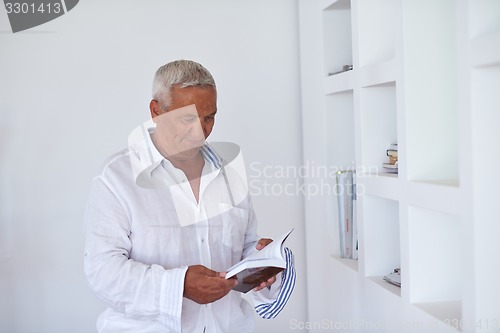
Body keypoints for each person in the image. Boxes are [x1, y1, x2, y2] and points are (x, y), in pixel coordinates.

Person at [84, 60, 295, 333]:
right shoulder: (117, 178)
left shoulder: (230, 176)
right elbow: (102, 271)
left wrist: (262, 262)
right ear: (156, 111)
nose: (201, 131)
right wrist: (179, 285)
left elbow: (243, 248)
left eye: (209, 117)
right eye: (188, 118)